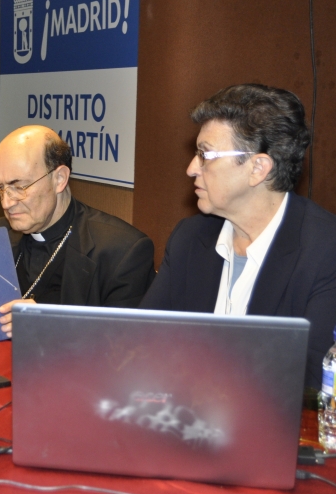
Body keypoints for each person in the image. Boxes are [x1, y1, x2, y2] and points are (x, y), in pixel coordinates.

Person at [141, 83, 336, 388]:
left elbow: (312, 385)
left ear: (258, 168)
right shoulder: (190, 238)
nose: (192, 168)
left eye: (206, 155)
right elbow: (145, 343)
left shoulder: (325, 252)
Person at [0, 125, 155, 337]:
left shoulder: (121, 251)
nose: (6, 202)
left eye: (19, 187)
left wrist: (53, 327)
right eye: (0, 188)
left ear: (59, 179)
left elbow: (128, 344)